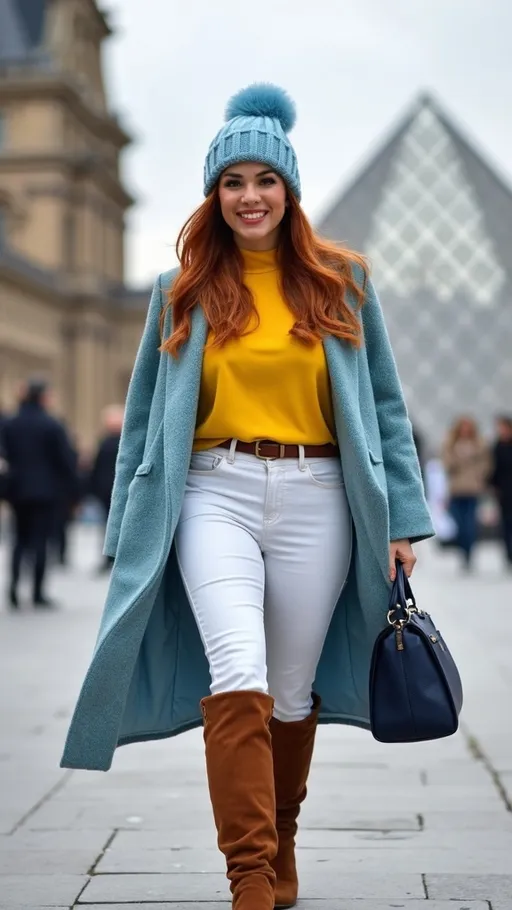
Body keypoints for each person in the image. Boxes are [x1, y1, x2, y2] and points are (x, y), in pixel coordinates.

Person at [61, 84, 433, 910]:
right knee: (238, 668)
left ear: (288, 190)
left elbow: (384, 408)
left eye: (266, 180)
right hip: (211, 490)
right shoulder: (181, 288)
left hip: (320, 494)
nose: (250, 196)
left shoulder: (342, 283)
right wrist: (127, 522)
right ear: (213, 195)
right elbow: (149, 419)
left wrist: (404, 518)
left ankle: (283, 839)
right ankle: (250, 876)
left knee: (292, 690)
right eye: (233, 182)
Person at [2, 379, 78, 608]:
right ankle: (37, 593)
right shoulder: (52, 425)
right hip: (46, 492)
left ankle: (13, 589)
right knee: (41, 542)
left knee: (18, 540)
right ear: (43, 397)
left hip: (17, 491)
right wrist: (72, 491)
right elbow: (66, 461)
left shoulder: (10, 424)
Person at [441, 416, 490, 570]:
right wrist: (457, 458)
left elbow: (486, 463)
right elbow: (446, 463)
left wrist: (478, 475)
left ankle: (468, 553)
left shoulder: (479, 444)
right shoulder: (451, 444)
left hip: (472, 488)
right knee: (459, 522)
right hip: (456, 489)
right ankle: (463, 549)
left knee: (469, 523)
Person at [88, 404, 124, 572]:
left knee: (114, 525)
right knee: (108, 525)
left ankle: (114, 557)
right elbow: (96, 468)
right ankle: (109, 556)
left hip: (116, 489)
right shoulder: (106, 442)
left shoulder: (119, 441)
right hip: (107, 490)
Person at [489, 415, 512, 567]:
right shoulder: (496, 446)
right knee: (506, 523)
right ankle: (509, 554)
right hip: (503, 492)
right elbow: (493, 469)